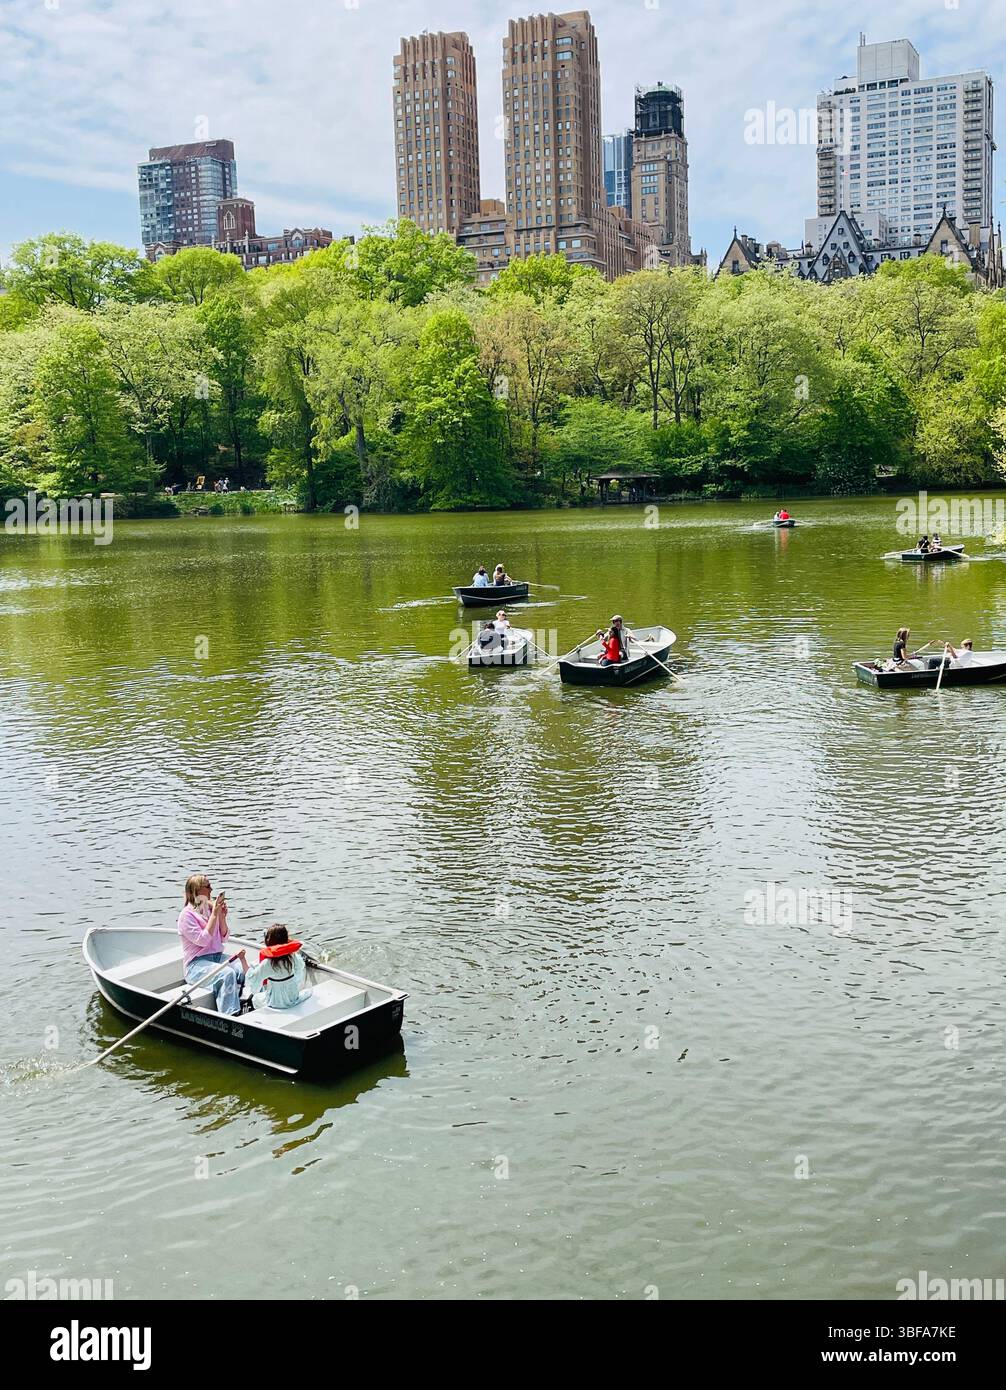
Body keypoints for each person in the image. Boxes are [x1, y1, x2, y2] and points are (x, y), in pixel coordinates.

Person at [177, 874, 246, 1016]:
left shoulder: (209, 909)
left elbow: (224, 937)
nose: (211, 889)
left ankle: (249, 1002)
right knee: (226, 974)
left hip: (216, 957)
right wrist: (214, 915)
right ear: (197, 890)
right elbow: (202, 940)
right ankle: (231, 1015)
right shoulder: (186, 916)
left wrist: (221, 916)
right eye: (208, 886)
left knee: (241, 968)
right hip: (196, 965)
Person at [244, 926, 312, 1012]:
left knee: (255, 999)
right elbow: (300, 968)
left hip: (275, 1002)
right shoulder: (292, 957)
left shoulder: (268, 963)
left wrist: (250, 972)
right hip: (293, 997)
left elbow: (253, 979)